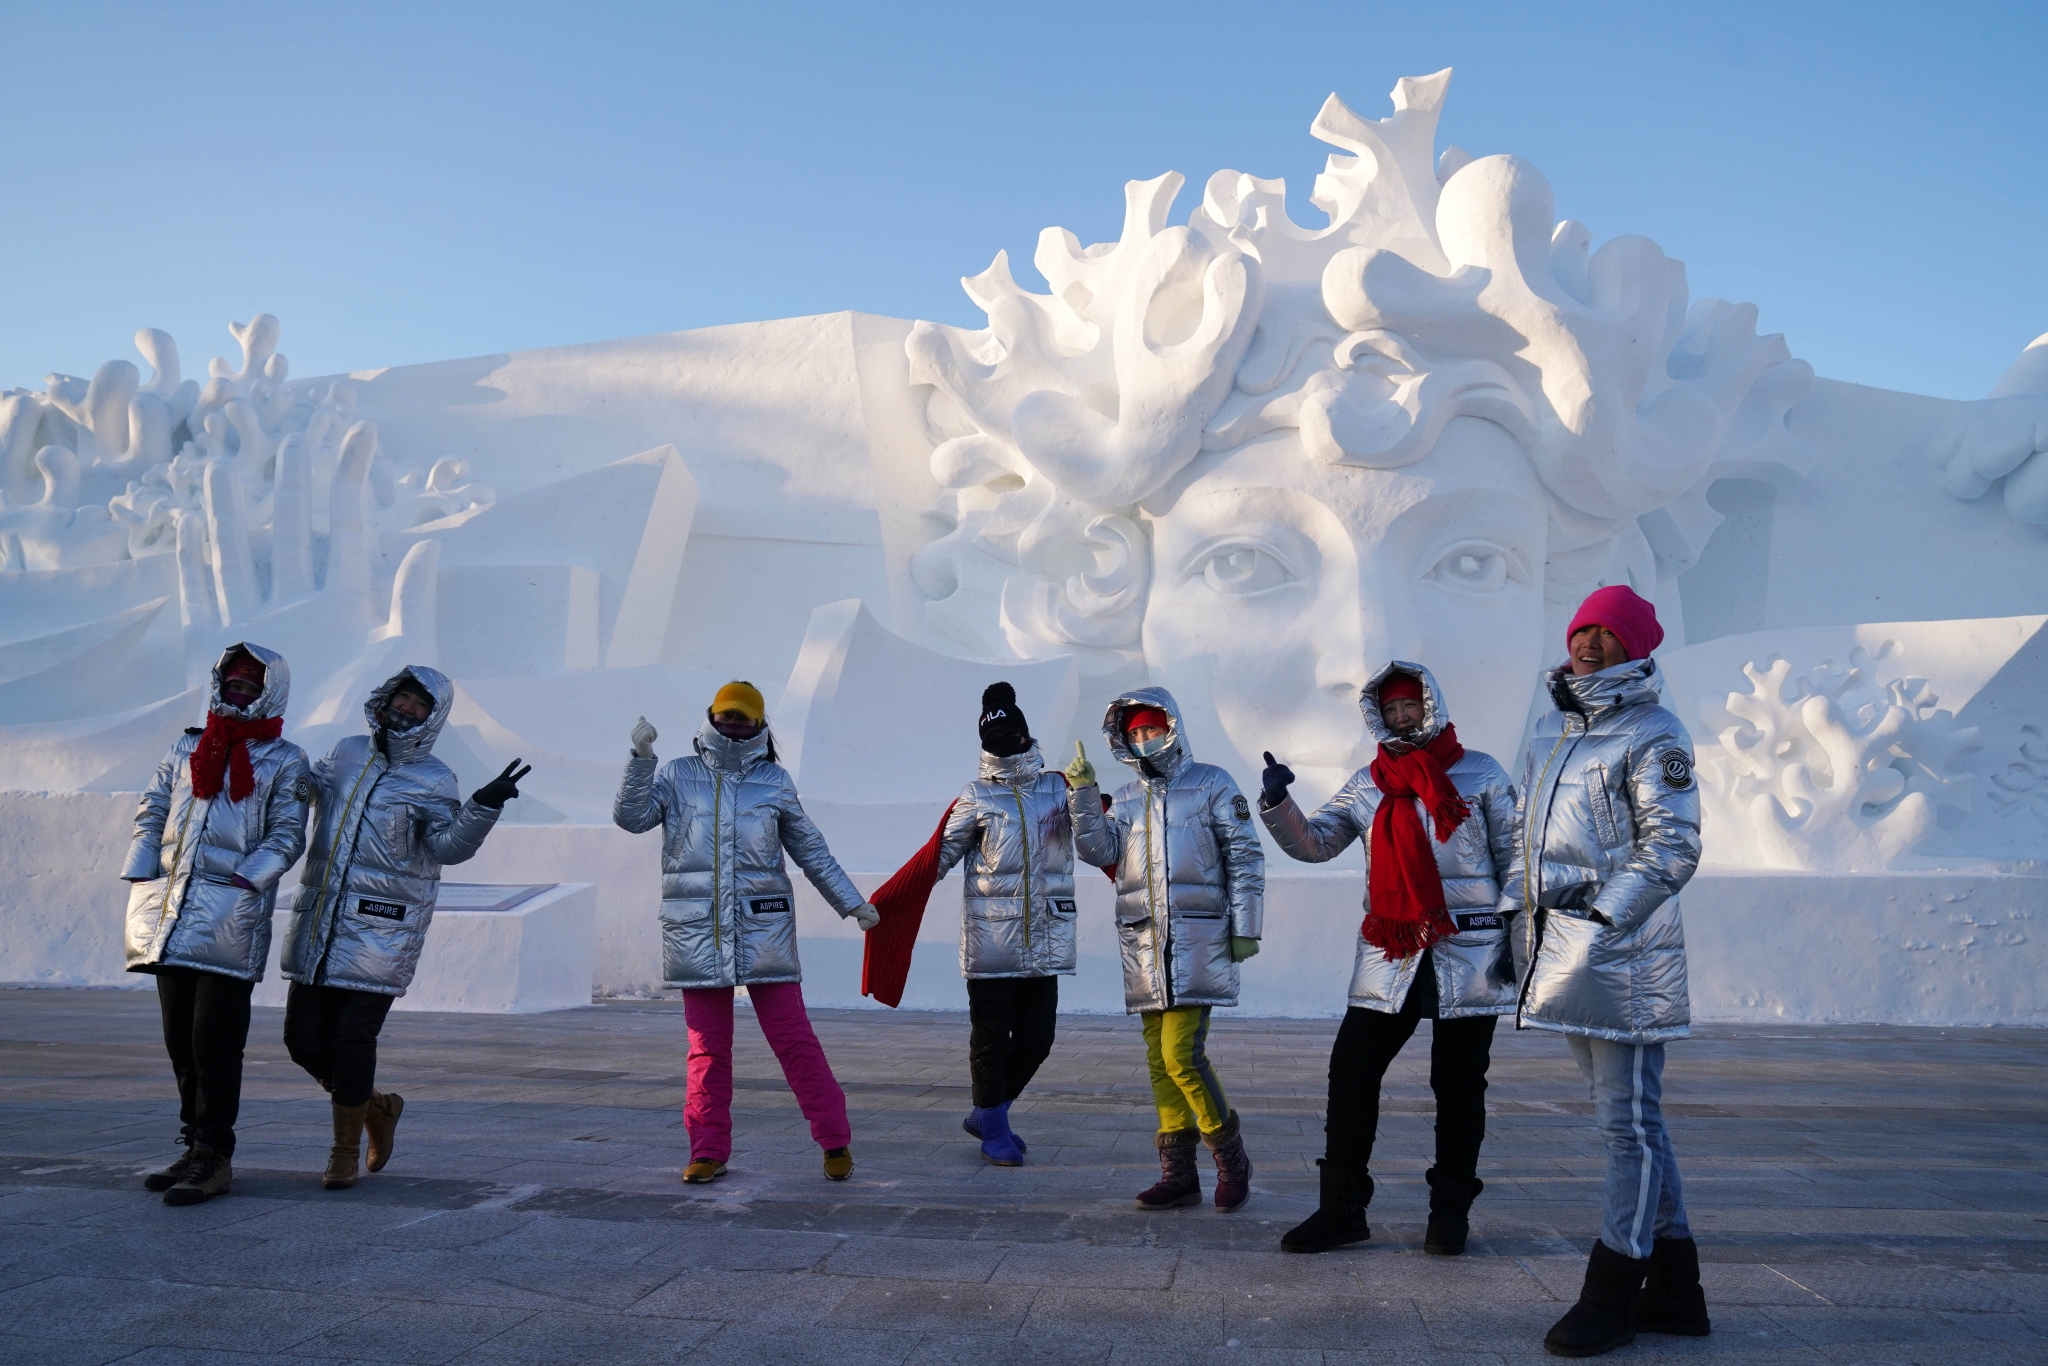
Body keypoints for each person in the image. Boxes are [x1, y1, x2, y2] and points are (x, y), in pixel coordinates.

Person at [1499, 586, 1710, 1356]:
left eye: (1608, 633)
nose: (1589, 642)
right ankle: (1677, 1292)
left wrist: (1600, 918)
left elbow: (1673, 846)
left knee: (1627, 1125)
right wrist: (1510, 919)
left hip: (1623, 955)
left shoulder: (1655, 732)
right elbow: (1526, 839)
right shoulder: (1556, 730)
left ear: (1636, 647)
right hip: (1563, 951)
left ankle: (1613, 1290)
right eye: (1582, 628)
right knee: (1629, 1121)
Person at [1259, 663, 1517, 1256]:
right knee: (1352, 1069)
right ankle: (1341, 1210)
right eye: (1391, 710)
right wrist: (1279, 802)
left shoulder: (1480, 773)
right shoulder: (1367, 783)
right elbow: (1317, 843)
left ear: (1431, 706)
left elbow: (1517, 860)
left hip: (1470, 948)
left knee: (1458, 1083)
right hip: (1391, 948)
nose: (1402, 718)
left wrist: (1519, 948)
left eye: (1410, 706)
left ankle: (1449, 1213)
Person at [613, 681, 882, 1185]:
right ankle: (707, 1149)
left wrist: (851, 903)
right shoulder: (676, 774)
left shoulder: (773, 781)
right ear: (711, 716)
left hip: (764, 930)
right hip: (697, 932)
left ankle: (835, 1141)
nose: (734, 723)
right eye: (727, 714)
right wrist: (641, 760)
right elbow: (631, 818)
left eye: (744, 716)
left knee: (794, 1041)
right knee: (706, 1050)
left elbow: (811, 849)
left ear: (759, 724)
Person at [283, 666, 526, 1190]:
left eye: (420, 704)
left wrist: (484, 805)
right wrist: (265, 760)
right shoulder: (346, 751)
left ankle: (344, 1152)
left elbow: (447, 848)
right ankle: (377, 1108)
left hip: (382, 930)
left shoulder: (435, 778)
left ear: (433, 717)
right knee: (301, 1041)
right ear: (386, 698)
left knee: (351, 1039)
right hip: (321, 922)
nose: (408, 708)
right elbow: (303, 792)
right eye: (404, 697)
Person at [123, 643, 310, 1206]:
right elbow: (154, 807)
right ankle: (192, 1144)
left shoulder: (285, 758)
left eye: (251, 686)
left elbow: (287, 835)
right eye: (233, 683)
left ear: (269, 693)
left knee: (215, 1043)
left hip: (230, 920)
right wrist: (145, 868)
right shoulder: (188, 745)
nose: (240, 693)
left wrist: (243, 883)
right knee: (180, 1039)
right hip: (171, 913)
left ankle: (215, 1154)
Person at [1068, 688, 1263, 1212]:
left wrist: (1246, 926)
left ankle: (1231, 1158)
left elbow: (1245, 854)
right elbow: (1099, 851)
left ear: (1171, 727)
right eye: (1134, 733)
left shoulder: (1213, 783)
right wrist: (1084, 796)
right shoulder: (1126, 797)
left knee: (1182, 1054)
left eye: (1150, 729)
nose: (1143, 739)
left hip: (1198, 939)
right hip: (1144, 942)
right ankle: (1179, 1175)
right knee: (1159, 1059)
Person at [929, 683, 1080, 1166]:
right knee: (990, 1039)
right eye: (993, 739)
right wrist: (902, 896)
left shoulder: (1057, 788)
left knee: (1038, 1039)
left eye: (1010, 735)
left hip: (1045, 939)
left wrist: (1088, 795)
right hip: (991, 941)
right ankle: (994, 1125)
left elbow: (1094, 839)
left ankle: (987, 1113)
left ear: (1025, 734)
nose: (1004, 744)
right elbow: (939, 857)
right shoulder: (975, 796)